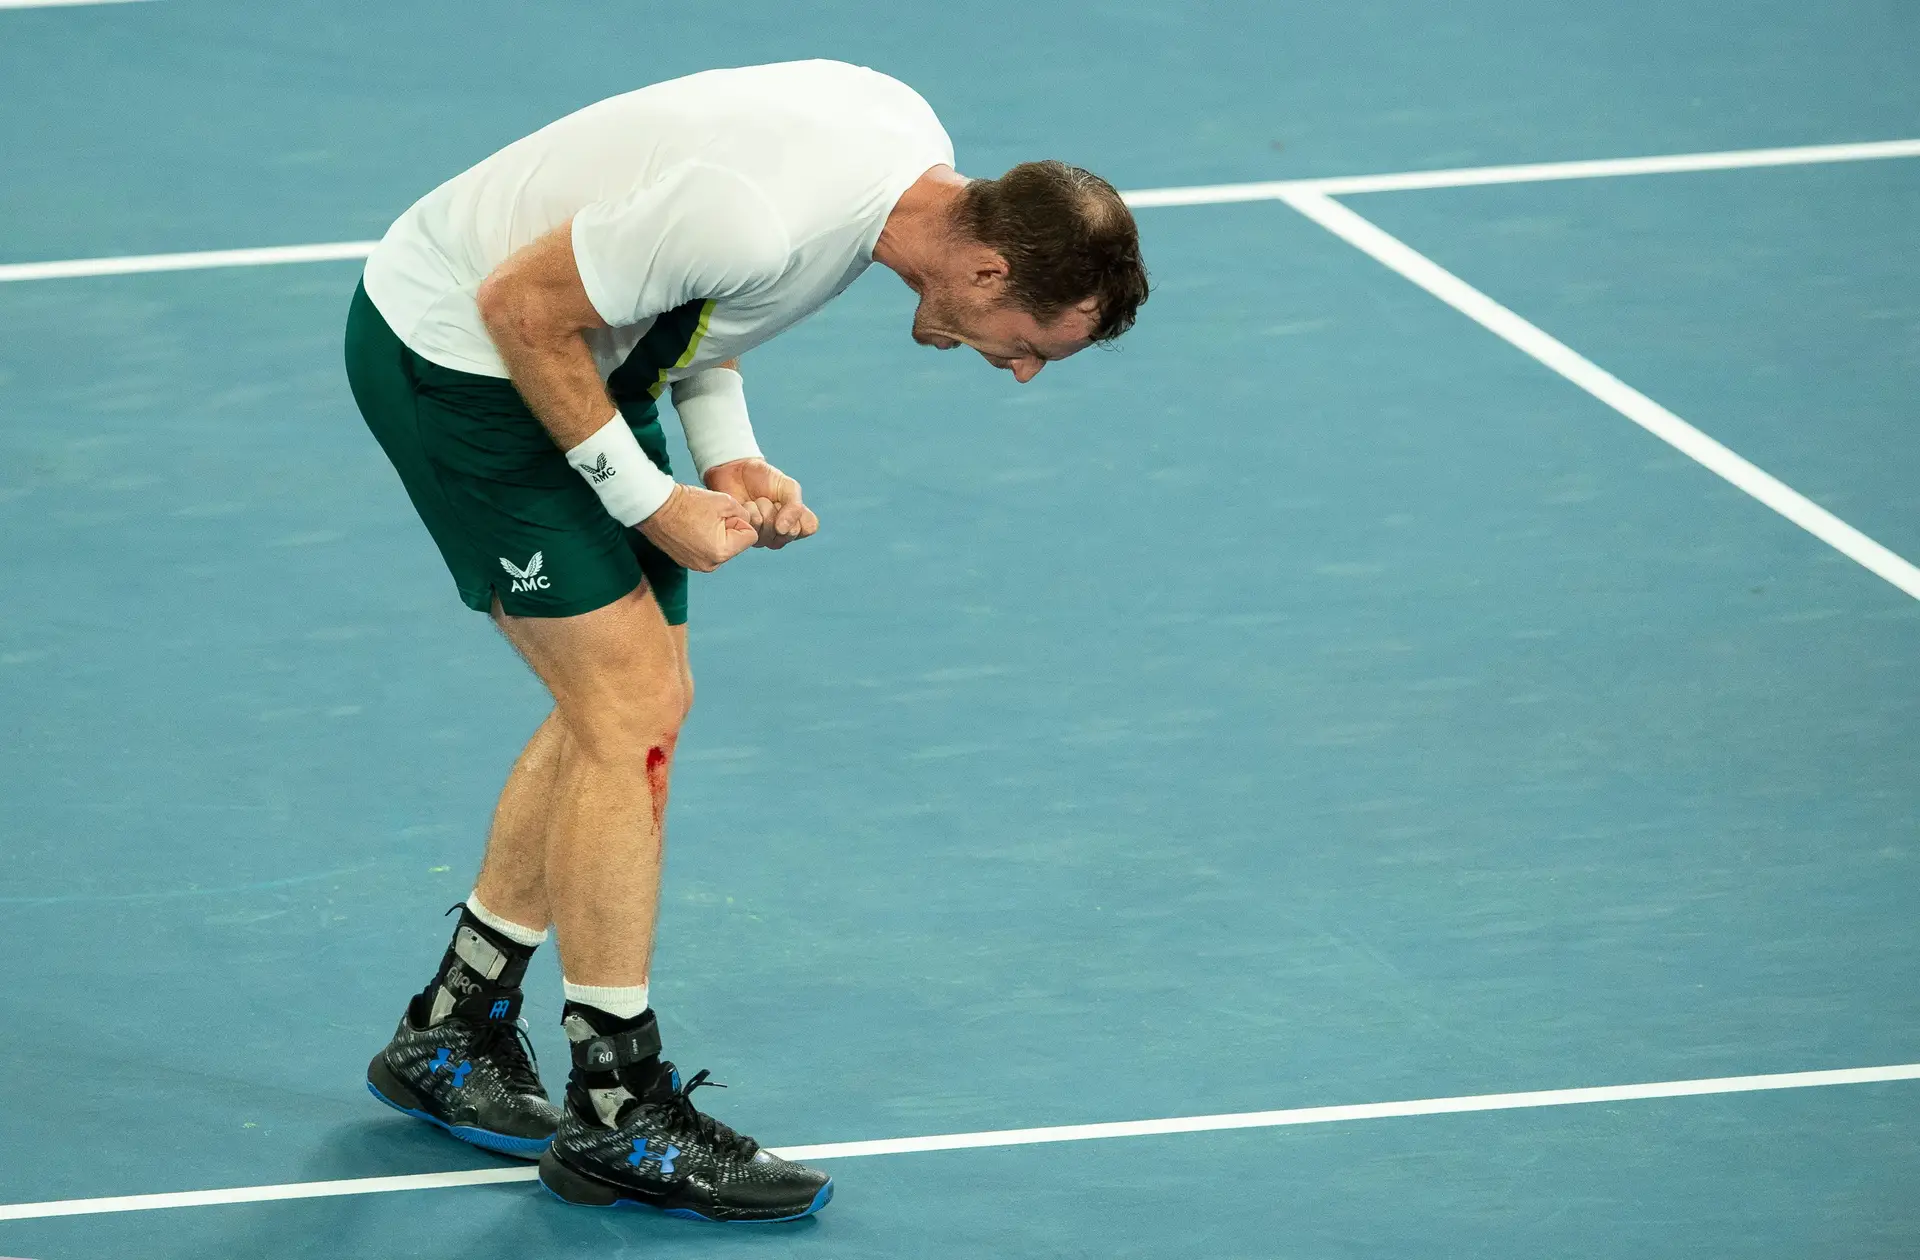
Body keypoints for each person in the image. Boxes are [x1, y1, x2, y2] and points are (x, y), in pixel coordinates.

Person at [342, 58, 1148, 1223]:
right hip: (460, 356)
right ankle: (618, 1108)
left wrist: (725, 455)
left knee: (634, 704)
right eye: (1031, 342)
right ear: (986, 266)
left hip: (580, 350)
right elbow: (521, 310)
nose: (1020, 370)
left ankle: (452, 1027)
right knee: (626, 712)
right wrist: (644, 499)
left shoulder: (896, 155)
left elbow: (690, 309)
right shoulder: (762, 211)